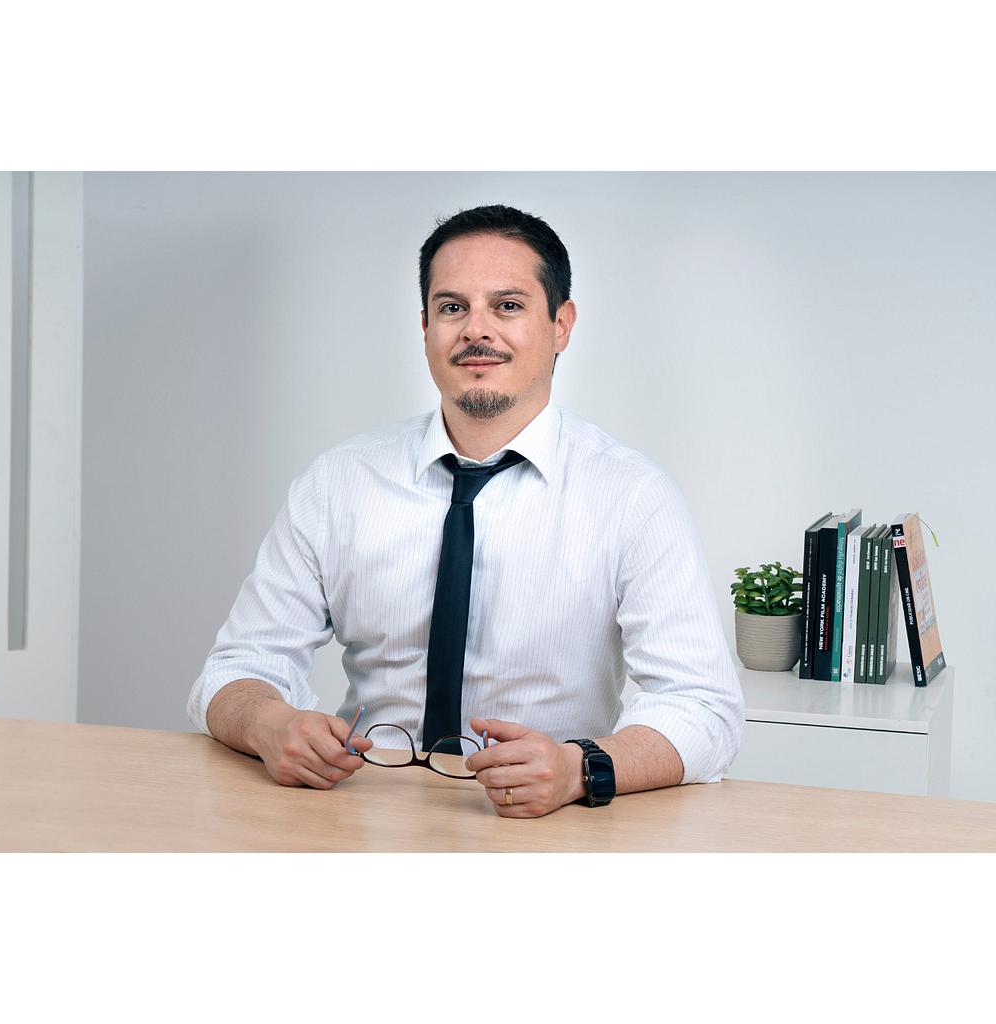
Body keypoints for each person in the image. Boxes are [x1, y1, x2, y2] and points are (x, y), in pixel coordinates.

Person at [187, 203, 744, 817]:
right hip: (359, 815)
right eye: (453, 308)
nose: (477, 331)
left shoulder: (631, 496)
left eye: (507, 306)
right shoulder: (337, 483)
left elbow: (703, 707)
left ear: (561, 325)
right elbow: (237, 667)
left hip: (544, 827)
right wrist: (269, 725)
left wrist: (580, 768)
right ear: (425, 326)